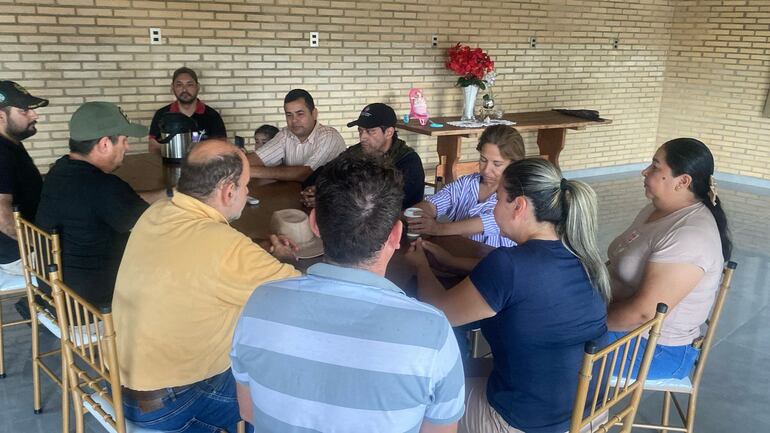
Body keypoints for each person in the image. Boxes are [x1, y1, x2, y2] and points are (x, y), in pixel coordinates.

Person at [231, 155, 465, 433]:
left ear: (314, 224)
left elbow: (248, 411)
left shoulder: (260, 304)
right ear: (395, 235)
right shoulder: (432, 332)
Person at [406, 158, 609, 433]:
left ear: (519, 206)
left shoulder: (508, 265)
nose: (493, 208)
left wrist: (420, 267)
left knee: (422, 393)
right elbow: (521, 282)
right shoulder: (585, 257)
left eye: (499, 199)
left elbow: (438, 313)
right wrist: (452, 261)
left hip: (524, 424)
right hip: (589, 415)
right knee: (466, 368)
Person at [113, 139, 300, 433]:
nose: (247, 192)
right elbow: (297, 295)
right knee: (283, 399)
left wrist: (256, 249)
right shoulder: (226, 247)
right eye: (246, 185)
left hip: (124, 387)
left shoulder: (158, 211)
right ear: (228, 191)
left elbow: (202, 254)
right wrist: (287, 257)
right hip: (176, 403)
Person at [606, 138, 731, 380]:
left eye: (655, 166)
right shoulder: (656, 209)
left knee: (551, 343)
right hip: (626, 326)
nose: (645, 171)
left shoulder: (689, 235)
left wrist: (586, 322)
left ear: (682, 181)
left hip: (656, 348)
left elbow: (644, 313)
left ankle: (578, 403)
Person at [35, 101, 165, 308]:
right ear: (105, 144)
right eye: (124, 140)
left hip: (54, 291)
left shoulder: (60, 170)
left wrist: (167, 194)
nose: (127, 147)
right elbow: (154, 226)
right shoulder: (103, 186)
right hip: (90, 306)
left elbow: (121, 202)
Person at [407, 125, 523, 273]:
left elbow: (486, 222)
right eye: (483, 160)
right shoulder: (467, 183)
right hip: (453, 259)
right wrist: (419, 215)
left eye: (497, 164)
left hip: (492, 269)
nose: (487, 170)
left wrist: (437, 228)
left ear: (514, 164)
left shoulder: (517, 195)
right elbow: (434, 203)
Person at [300, 102, 425, 210]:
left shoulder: (408, 161)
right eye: (360, 130)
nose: (362, 137)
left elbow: (386, 205)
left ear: (389, 132)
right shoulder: (357, 151)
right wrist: (316, 190)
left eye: (370, 131)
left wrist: (328, 199)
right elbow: (325, 173)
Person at [0, 80, 47, 275]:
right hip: (20, 255)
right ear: (1, 116)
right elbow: (3, 219)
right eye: (24, 111)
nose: (35, 115)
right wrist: (48, 245)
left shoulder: (11, 143)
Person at [248, 89, 345, 182]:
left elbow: (306, 174)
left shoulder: (329, 137)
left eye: (300, 114)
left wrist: (249, 171)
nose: (294, 120)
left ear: (314, 114)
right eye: (289, 115)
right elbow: (257, 158)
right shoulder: (285, 134)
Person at [148, 67, 226, 152]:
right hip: (169, 160)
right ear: (172, 88)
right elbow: (153, 147)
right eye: (179, 85)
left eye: (189, 84)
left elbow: (222, 147)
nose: (184, 89)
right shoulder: (162, 114)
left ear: (197, 87)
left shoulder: (212, 116)